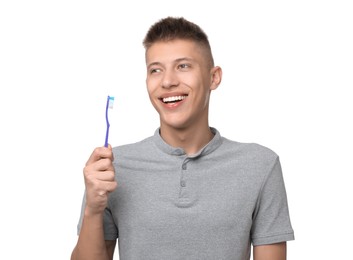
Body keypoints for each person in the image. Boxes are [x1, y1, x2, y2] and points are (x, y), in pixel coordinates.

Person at [71, 17, 294, 260]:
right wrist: (93, 210)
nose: (167, 81)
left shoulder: (260, 165)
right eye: (156, 70)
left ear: (214, 77)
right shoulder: (113, 167)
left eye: (183, 66)